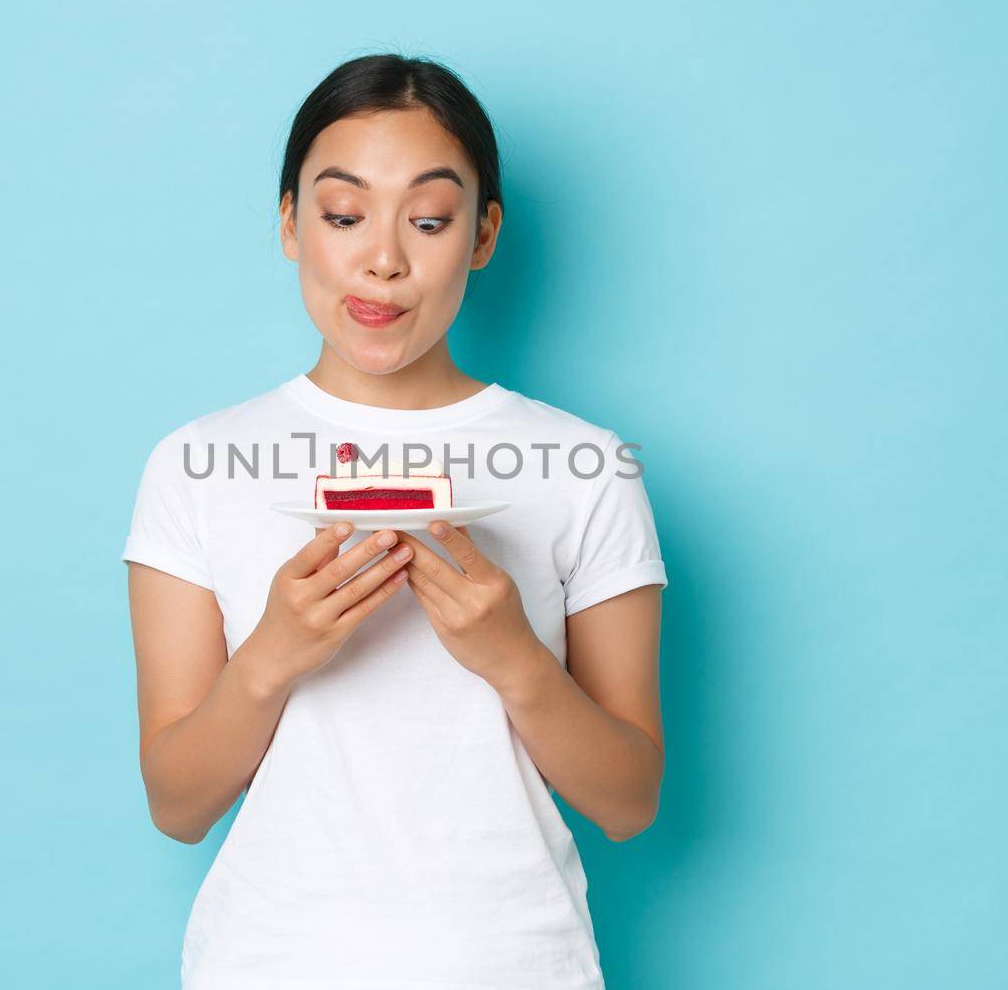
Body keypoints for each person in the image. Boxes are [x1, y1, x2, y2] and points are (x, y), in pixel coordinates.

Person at [122, 52, 668, 990]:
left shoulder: (586, 464)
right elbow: (177, 803)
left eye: (428, 219)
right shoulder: (196, 462)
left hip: (515, 963)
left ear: (484, 235)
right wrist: (275, 651)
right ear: (291, 224)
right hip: (268, 963)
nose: (383, 258)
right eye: (342, 215)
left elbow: (628, 800)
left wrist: (510, 654)